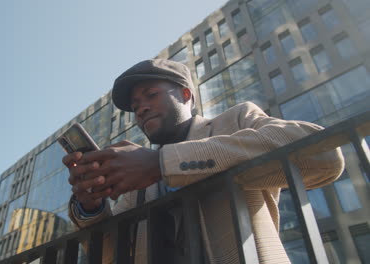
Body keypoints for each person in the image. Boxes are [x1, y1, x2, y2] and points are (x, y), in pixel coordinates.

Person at [63, 59, 344, 263]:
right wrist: (92, 205)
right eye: (135, 106)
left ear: (186, 95)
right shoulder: (136, 180)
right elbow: (108, 255)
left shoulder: (235, 121)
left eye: (150, 95)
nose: (141, 109)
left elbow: (324, 156)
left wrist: (162, 163)